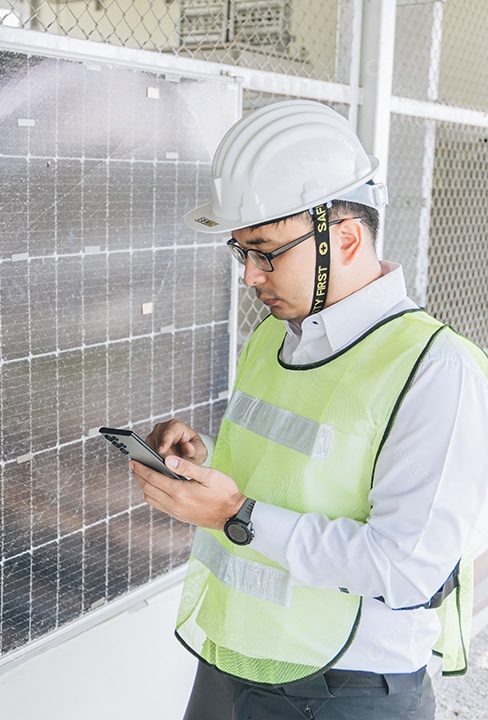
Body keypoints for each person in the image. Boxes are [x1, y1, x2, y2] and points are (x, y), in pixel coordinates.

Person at [130, 99, 488, 720]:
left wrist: (236, 515)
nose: (248, 276)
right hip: (237, 658)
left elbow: (407, 571)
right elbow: (300, 469)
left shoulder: (435, 369)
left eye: (264, 252)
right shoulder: (276, 334)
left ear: (344, 239)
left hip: (347, 688)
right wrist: (203, 462)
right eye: (240, 252)